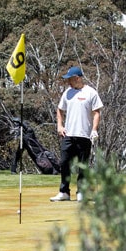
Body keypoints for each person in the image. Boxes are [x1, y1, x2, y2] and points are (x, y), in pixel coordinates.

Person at [50, 66, 103, 202]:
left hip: (84, 135)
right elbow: (60, 110)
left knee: (82, 165)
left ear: (78, 78)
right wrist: (60, 125)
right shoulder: (67, 93)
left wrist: (94, 130)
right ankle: (64, 192)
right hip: (68, 134)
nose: (68, 82)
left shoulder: (91, 93)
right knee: (64, 162)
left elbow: (96, 112)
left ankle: (81, 192)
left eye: (70, 79)